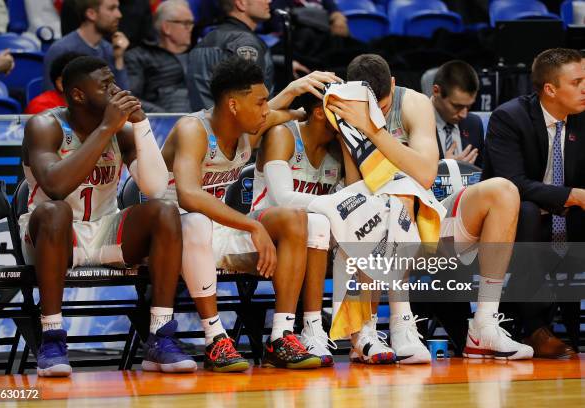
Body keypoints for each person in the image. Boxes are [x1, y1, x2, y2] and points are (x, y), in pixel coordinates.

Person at [324, 54, 532, 363]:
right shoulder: (342, 108)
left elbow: (425, 175)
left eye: (383, 106)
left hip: (430, 217)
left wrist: (371, 129)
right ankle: (398, 323)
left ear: (393, 86)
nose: (379, 112)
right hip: (372, 225)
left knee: (503, 191)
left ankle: (484, 325)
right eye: (372, 107)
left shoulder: (413, 102)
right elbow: (358, 186)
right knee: (393, 200)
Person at [19, 56, 194, 377]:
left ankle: (160, 335)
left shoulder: (122, 132)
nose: (116, 90)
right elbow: (55, 187)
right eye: (105, 85)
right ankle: (52, 338)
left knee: (165, 211)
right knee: (54, 210)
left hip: (104, 230)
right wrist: (105, 128)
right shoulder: (44, 125)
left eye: (114, 81)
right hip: (51, 236)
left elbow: (155, 189)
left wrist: (140, 124)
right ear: (78, 95)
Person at [162, 56, 339, 369]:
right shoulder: (193, 129)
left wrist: (300, 92)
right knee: (198, 222)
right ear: (233, 105)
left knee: (294, 217)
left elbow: (292, 112)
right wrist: (252, 227)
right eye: (259, 102)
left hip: (217, 231)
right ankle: (215, 338)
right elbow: (189, 196)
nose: (265, 109)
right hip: (173, 236)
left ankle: (281, 336)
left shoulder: (248, 130)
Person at [483, 48, 585, 359]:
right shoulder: (509, 117)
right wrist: (571, 196)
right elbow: (512, 183)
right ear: (550, 89)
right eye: (578, 82)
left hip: (568, 217)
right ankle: (533, 327)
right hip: (514, 219)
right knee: (526, 212)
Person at [250, 91, 343, 366]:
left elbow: (355, 196)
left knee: (363, 224)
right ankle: (305, 327)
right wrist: (334, 204)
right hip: (263, 225)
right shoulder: (284, 134)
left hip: (309, 234)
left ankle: (353, 330)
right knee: (317, 220)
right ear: (319, 112)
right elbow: (282, 197)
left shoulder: (338, 148)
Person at [44, 0, 129, 91]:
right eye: (111, 8)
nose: (119, 15)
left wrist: (119, 58)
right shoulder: (61, 50)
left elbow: (124, 97)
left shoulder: (109, 49)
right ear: (91, 14)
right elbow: (52, 98)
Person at [125, 0, 192, 113]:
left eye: (191, 23)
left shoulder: (198, 55)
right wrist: (164, 117)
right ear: (166, 28)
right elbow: (130, 98)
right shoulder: (138, 57)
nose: (190, 28)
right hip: (161, 124)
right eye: (186, 23)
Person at [431, 60, 485, 168]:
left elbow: (481, 174)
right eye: (457, 106)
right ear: (436, 91)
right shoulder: (413, 120)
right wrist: (442, 169)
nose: (463, 115)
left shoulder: (474, 123)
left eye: (469, 106)